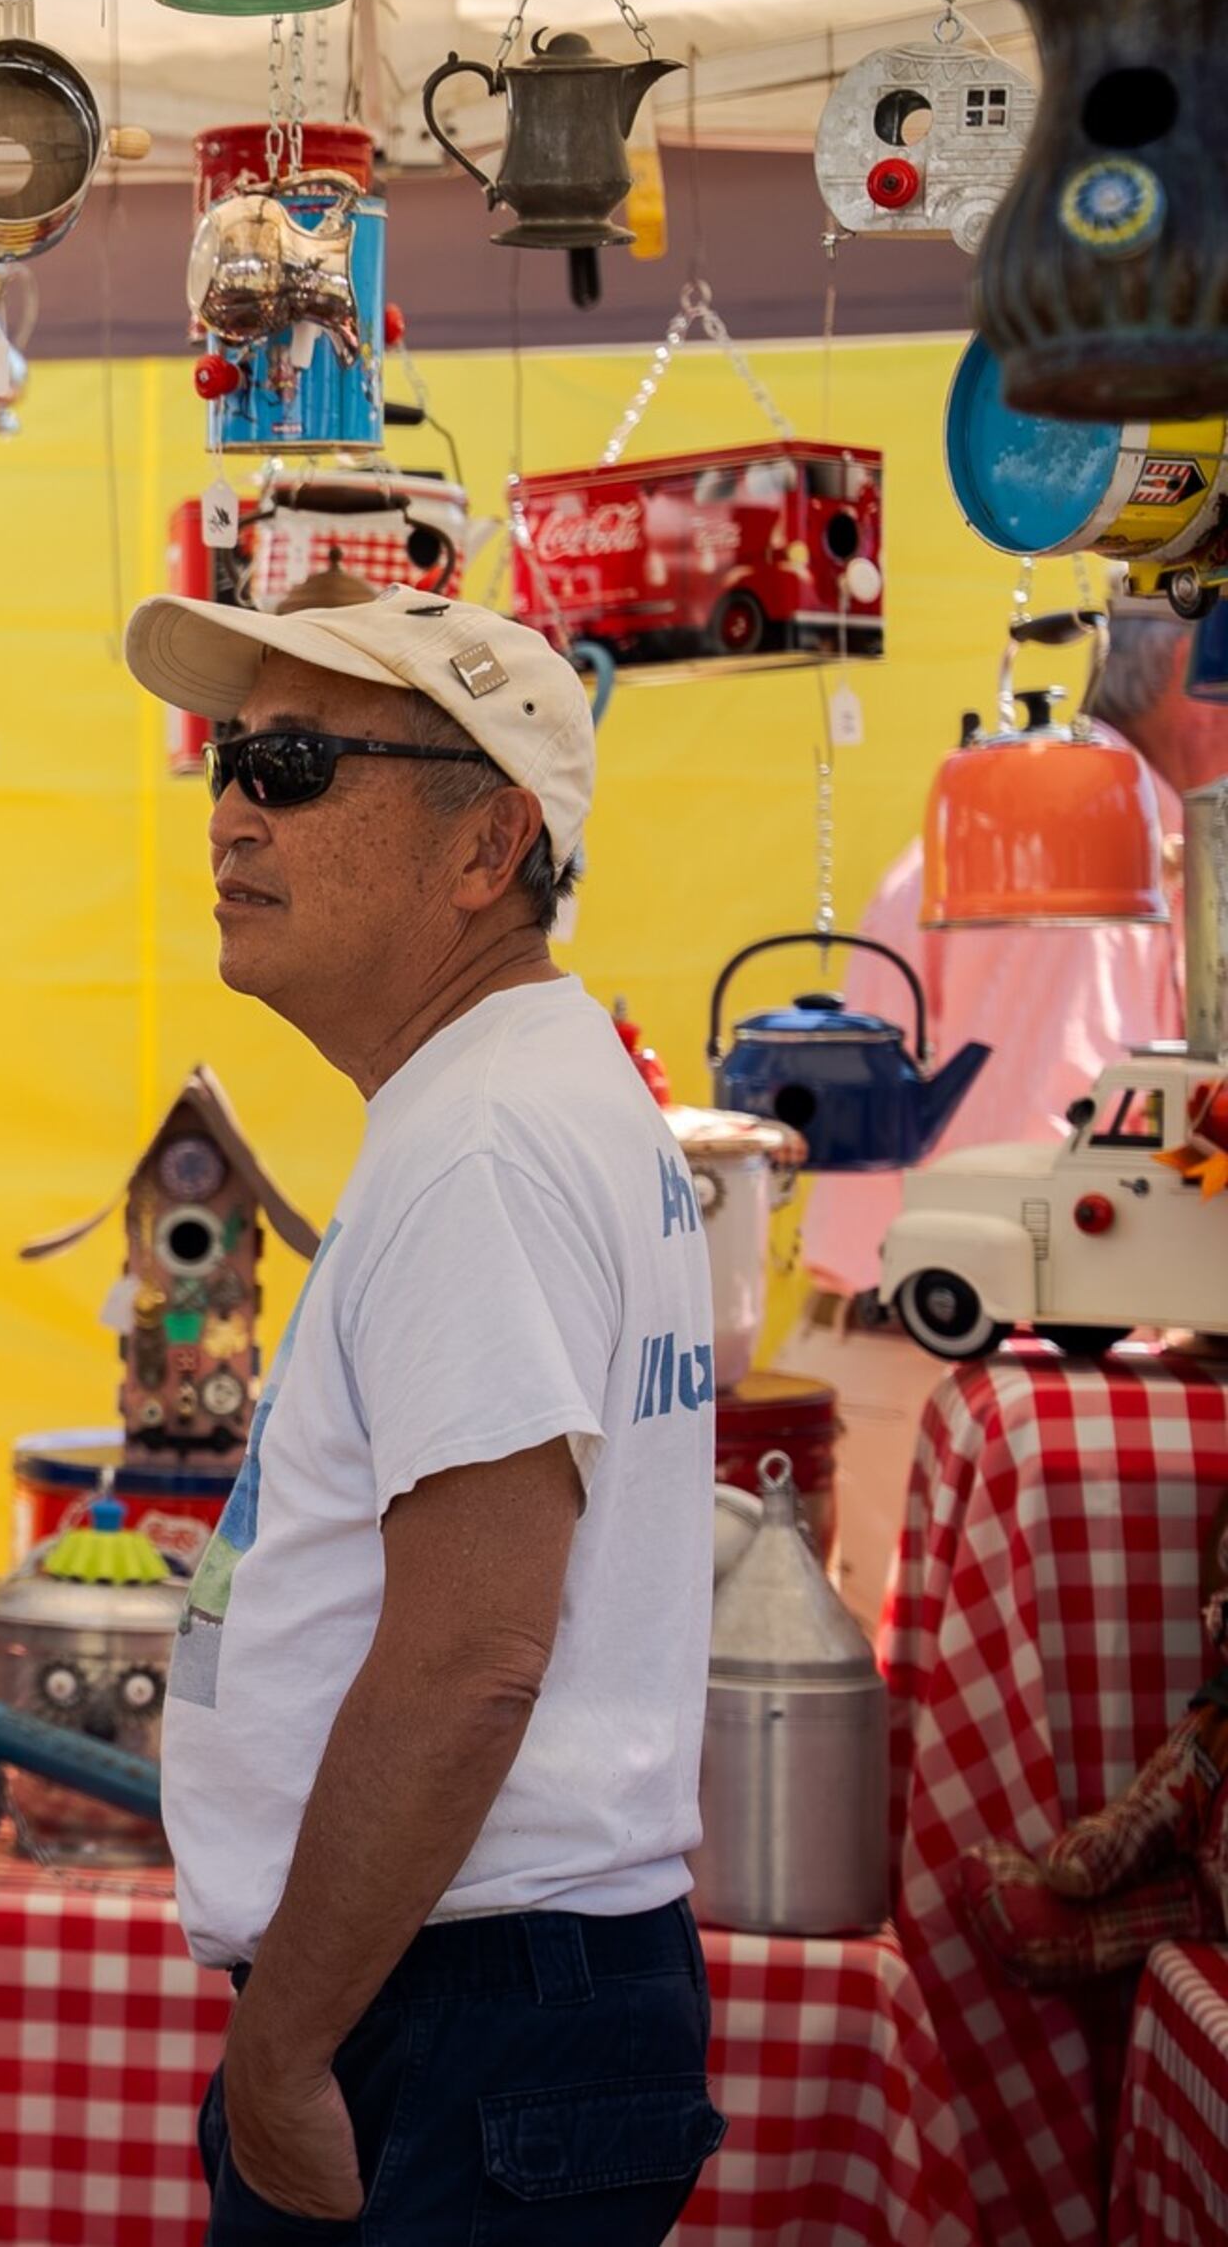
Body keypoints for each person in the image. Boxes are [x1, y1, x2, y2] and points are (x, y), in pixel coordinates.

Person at [122, 584, 724, 2244]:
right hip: (487, 1984)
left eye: (299, 763)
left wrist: (286, 2045)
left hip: (460, 2000)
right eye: (230, 756)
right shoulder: (518, 1091)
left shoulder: (483, 1142)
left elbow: (471, 1661)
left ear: (486, 849)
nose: (235, 810)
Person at [788, 609, 1228, 1623]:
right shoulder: (1098, 835)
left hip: (890, 1349)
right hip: (972, 1373)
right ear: (1181, 678)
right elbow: (1065, 1128)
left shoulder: (1030, 795)